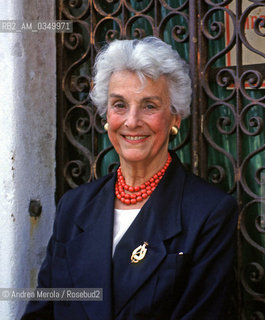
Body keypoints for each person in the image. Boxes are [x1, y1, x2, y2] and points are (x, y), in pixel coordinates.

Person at [22, 37, 238, 320]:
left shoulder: (209, 213)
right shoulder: (73, 207)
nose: (132, 121)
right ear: (106, 116)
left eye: (149, 106)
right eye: (119, 105)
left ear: (175, 118)